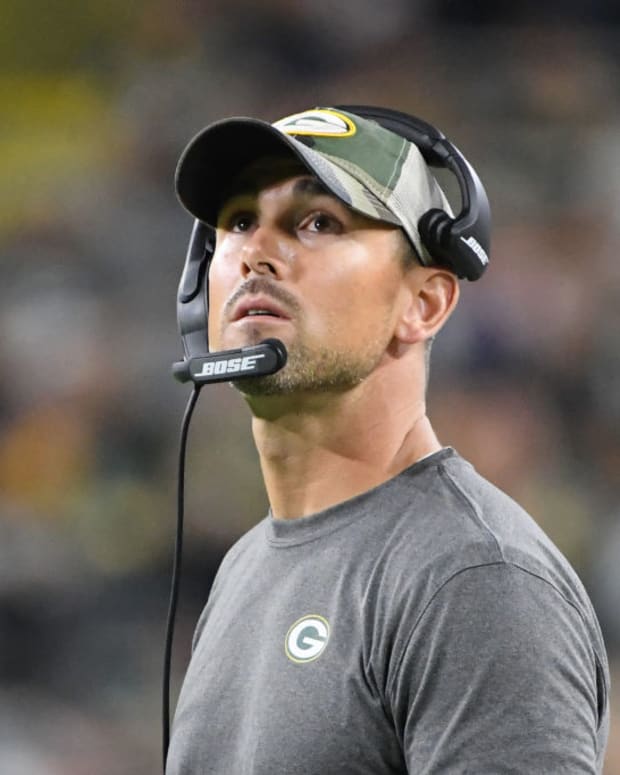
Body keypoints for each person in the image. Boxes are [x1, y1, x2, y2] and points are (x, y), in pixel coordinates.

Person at [165, 106, 610, 773]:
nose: (256, 251)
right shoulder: (246, 567)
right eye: (238, 222)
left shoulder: (476, 582)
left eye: (317, 222)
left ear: (424, 304)